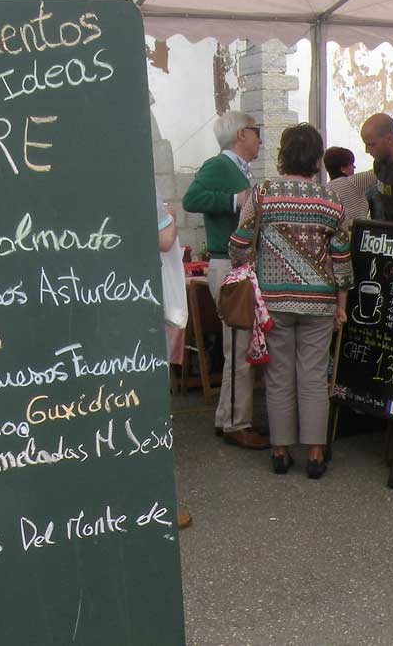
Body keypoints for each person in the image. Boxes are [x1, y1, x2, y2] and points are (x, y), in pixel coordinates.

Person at [228, 123, 352, 479]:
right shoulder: (331, 200)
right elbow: (342, 258)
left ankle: (280, 451)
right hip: (320, 302)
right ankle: (315, 453)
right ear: (316, 159)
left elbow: (239, 243)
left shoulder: (263, 192)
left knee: (279, 375)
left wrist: (242, 258)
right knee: (314, 376)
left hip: (274, 302)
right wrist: (341, 303)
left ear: (283, 154)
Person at [182, 111, 268, 450]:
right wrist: (236, 200)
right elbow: (191, 199)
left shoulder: (235, 168)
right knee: (239, 348)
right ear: (240, 134)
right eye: (256, 132)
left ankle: (227, 417)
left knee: (239, 345)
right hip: (230, 266)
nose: (259, 138)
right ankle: (237, 422)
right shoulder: (220, 166)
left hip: (234, 266)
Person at [158, 201, 192, 530]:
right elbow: (165, 239)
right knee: (151, 410)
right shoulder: (136, 186)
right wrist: (171, 216)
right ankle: (157, 502)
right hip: (136, 303)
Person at [325, 129, 393, 224]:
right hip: (354, 232)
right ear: (342, 169)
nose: (354, 167)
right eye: (351, 164)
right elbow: (381, 171)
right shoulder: (352, 182)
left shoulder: (327, 188)